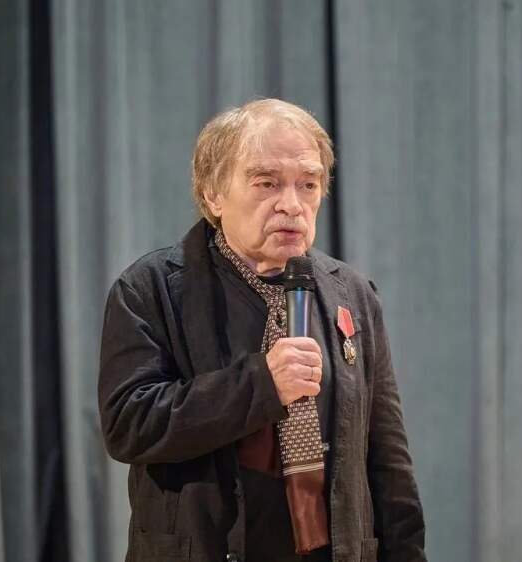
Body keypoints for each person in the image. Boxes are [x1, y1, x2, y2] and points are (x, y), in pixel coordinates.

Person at [98, 98, 426, 562]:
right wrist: (262, 383)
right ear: (213, 194)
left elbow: (387, 459)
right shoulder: (150, 289)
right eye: (267, 182)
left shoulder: (351, 294)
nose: (292, 204)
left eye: (308, 184)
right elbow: (129, 425)